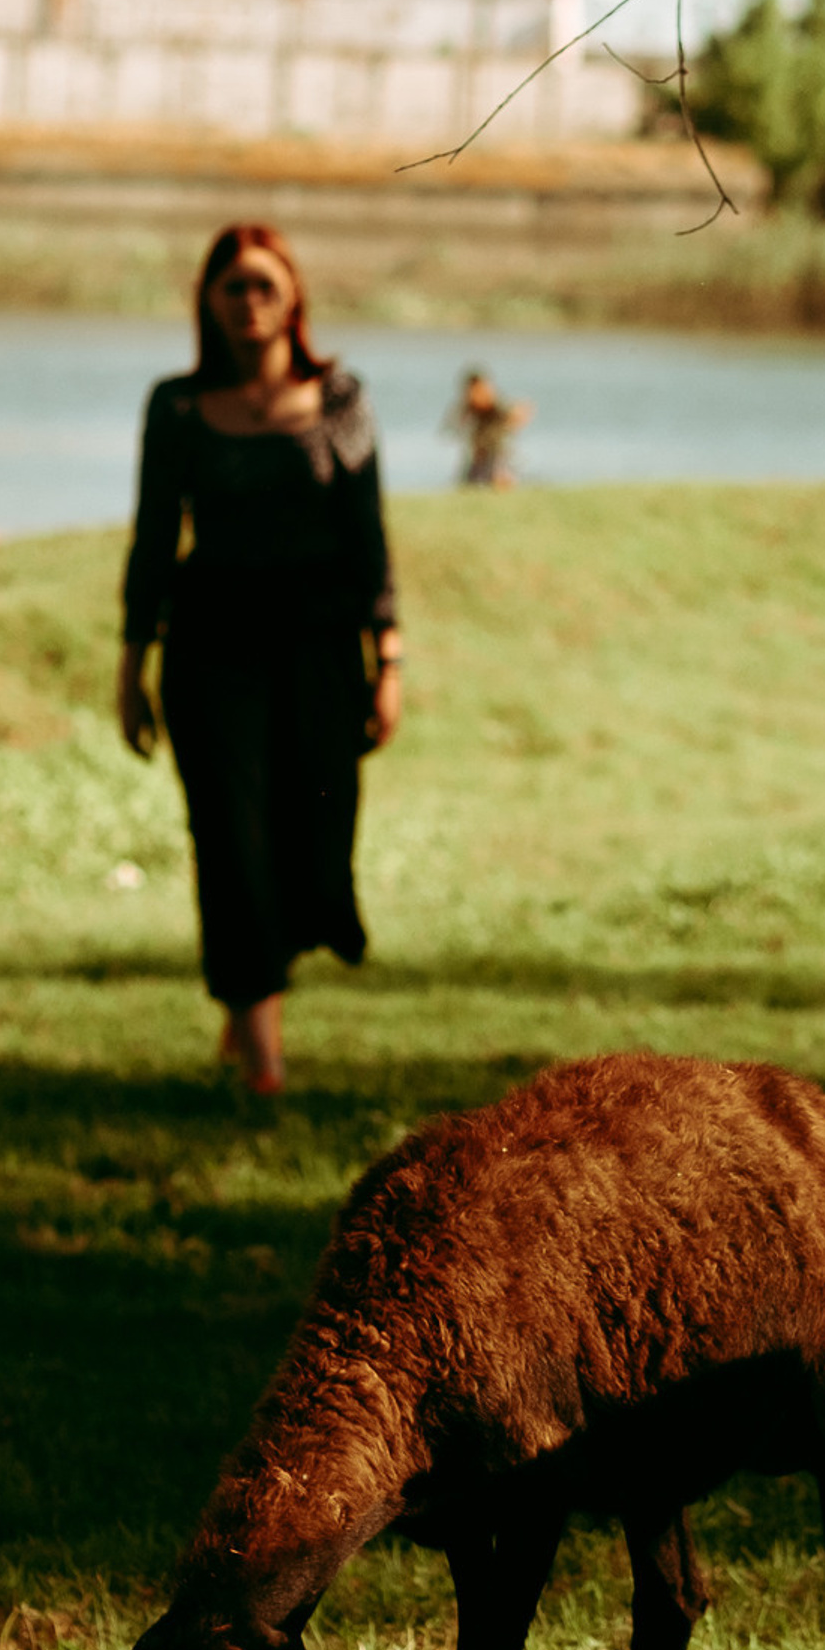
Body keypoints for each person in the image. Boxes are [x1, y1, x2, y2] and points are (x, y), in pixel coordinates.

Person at [117, 224, 401, 1095]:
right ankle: (266, 1062)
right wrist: (133, 663)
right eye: (232, 287)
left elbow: (368, 541)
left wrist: (387, 658)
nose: (249, 303)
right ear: (208, 300)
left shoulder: (340, 401)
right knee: (234, 843)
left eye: (263, 286)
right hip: (212, 653)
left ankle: (248, 1008)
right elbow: (155, 540)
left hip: (319, 654)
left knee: (309, 844)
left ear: (294, 297)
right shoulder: (176, 408)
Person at [446, 364, 529, 488]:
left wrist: (510, 425)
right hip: (480, 452)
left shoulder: (495, 402)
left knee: (499, 478)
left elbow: (520, 411)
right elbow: (452, 426)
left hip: (497, 450)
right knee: (469, 483)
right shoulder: (469, 405)